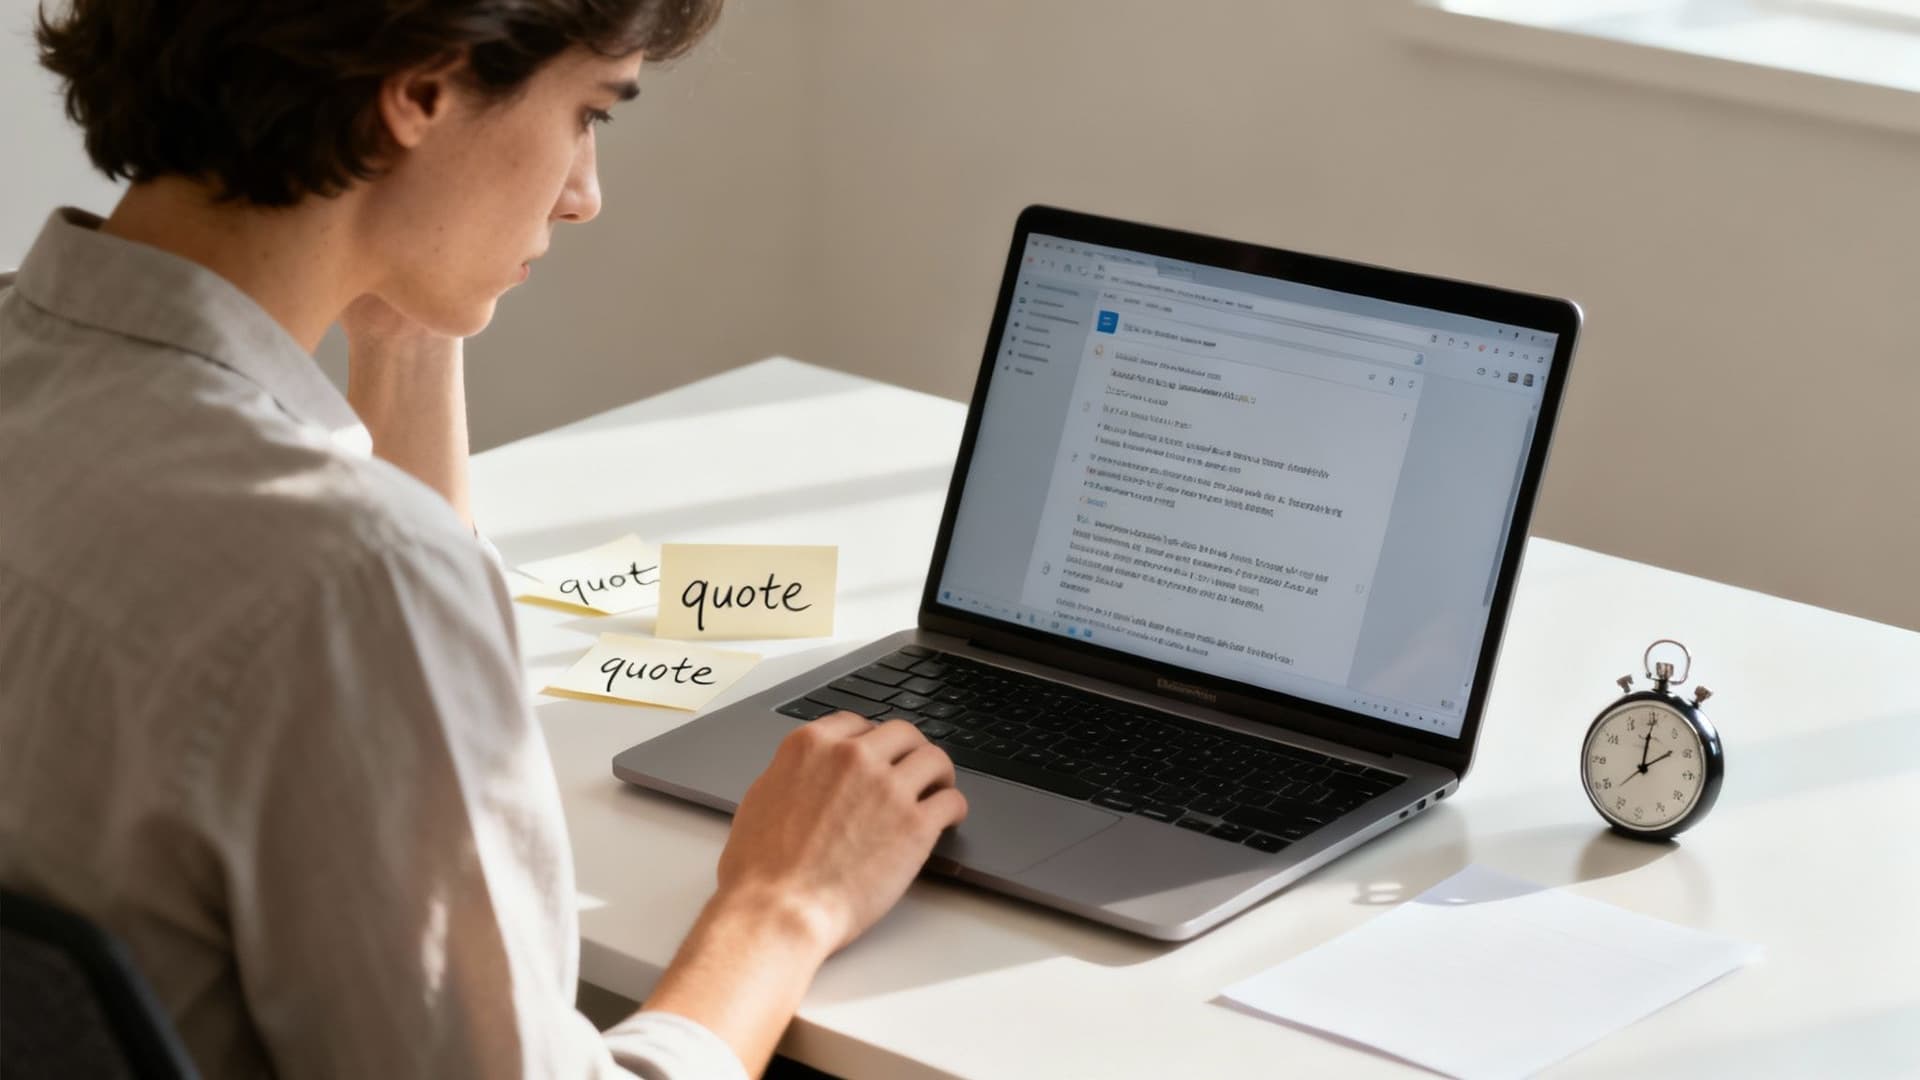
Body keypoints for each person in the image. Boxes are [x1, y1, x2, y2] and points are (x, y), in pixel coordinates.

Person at [0, 2, 968, 1077]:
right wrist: (783, 905)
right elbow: (373, 585)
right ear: (419, 92)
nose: (584, 194)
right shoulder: (340, 579)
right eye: (589, 112)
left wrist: (398, 295)